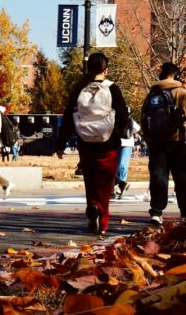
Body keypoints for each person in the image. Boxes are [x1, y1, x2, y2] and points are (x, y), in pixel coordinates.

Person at [55, 52, 131, 236]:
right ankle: (102, 218)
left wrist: (61, 143)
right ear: (106, 69)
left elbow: (67, 117)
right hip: (109, 141)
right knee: (105, 182)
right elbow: (122, 116)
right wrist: (122, 131)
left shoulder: (79, 88)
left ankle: (91, 206)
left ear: (88, 69)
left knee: (91, 180)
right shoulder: (112, 89)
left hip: (85, 140)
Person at [142, 62, 186, 227]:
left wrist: (148, 138)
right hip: (176, 141)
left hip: (156, 143)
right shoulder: (181, 92)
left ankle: (156, 211)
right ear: (176, 75)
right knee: (182, 177)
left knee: (158, 176)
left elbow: (144, 117)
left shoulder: (152, 93)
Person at [114, 117, 140, 199]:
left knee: (122, 166)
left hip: (127, 144)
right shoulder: (112, 117)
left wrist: (130, 132)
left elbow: (137, 128)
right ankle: (118, 186)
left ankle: (121, 187)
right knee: (115, 167)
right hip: (115, 144)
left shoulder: (129, 119)